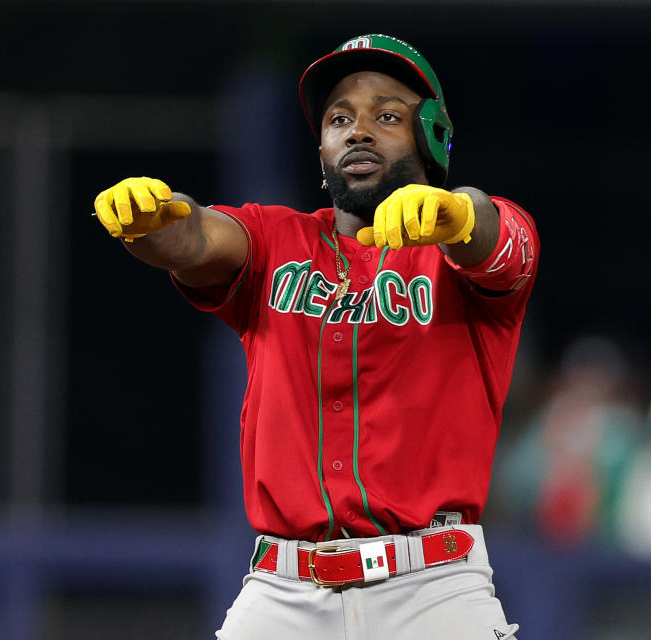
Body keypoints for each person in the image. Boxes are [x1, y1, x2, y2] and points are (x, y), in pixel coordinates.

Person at [94, 34, 538, 640]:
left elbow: (495, 238)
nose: (357, 131)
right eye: (338, 119)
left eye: (386, 115)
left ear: (433, 135)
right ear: (322, 149)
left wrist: (459, 215)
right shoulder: (276, 238)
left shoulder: (460, 254)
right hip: (283, 592)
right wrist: (154, 224)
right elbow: (195, 238)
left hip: (433, 591)